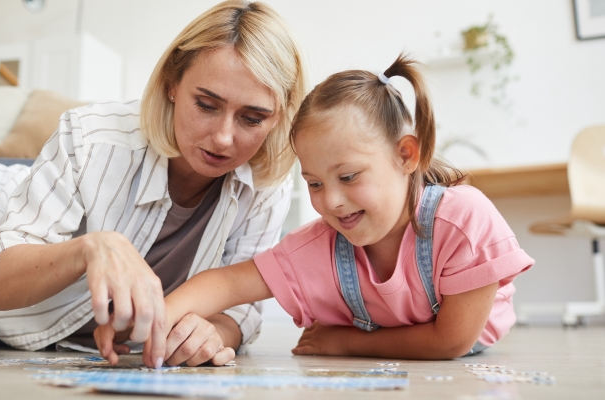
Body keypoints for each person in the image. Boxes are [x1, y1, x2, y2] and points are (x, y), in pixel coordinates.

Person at [0, 0, 307, 367]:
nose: (223, 137)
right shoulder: (93, 134)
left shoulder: (264, 184)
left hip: (14, 315)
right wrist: (93, 248)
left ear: (278, 117)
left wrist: (214, 332)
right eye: (206, 104)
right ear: (171, 83)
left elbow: (243, 309)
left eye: (252, 119)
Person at [97, 54, 534, 363]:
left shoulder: (463, 220)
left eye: (348, 177)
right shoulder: (320, 244)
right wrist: (146, 322)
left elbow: (450, 342)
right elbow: (227, 283)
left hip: (468, 336)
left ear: (406, 155)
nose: (332, 201)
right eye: (314, 184)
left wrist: (345, 344)